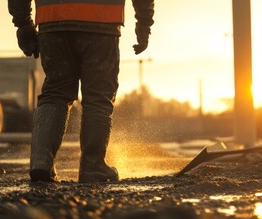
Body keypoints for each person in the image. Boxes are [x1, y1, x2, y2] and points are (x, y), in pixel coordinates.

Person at [8, 0, 154, 182]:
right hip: (101, 22)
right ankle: (93, 166)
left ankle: (41, 161)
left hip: (52, 21)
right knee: (98, 97)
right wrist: (144, 23)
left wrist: (22, 23)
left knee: (55, 92)